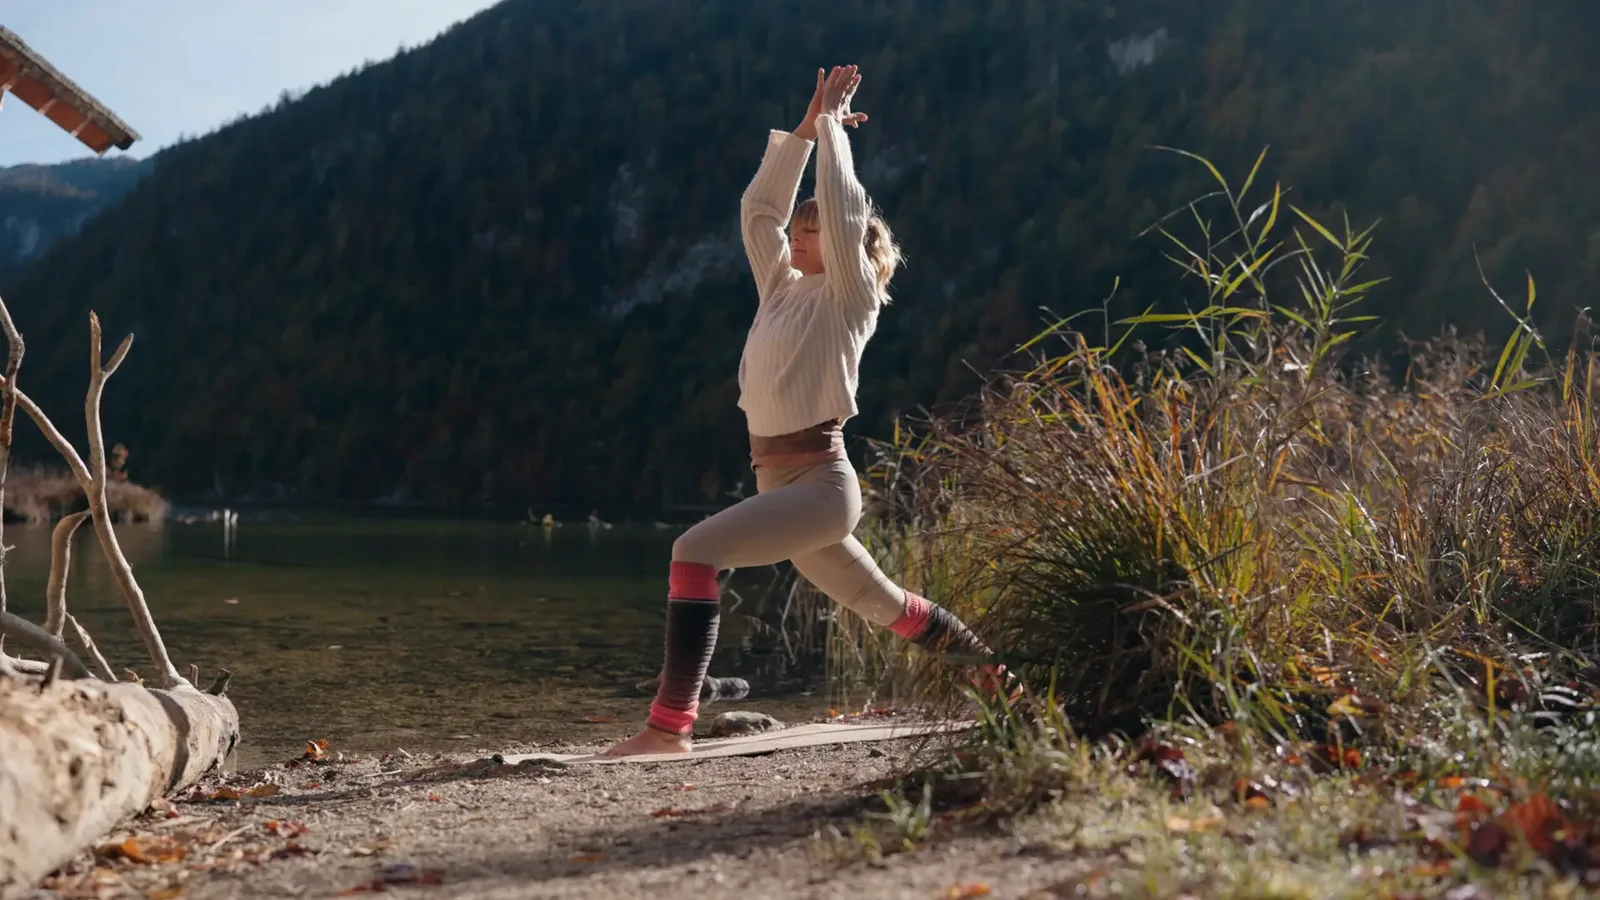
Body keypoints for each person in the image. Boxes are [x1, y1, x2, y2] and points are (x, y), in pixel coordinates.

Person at [603, 66, 1006, 757]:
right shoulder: (782, 289)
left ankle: (669, 730)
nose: (798, 232)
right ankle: (1007, 690)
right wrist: (801, 129)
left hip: (820, 488)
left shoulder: (847, 301)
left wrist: (832, 128)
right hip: (779, 486)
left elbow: (847, 213)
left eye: (811, 227)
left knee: (693, 553)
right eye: (801, 225)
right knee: (887, 605)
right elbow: (758, 213)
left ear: (852, 254)